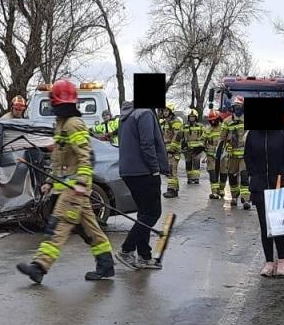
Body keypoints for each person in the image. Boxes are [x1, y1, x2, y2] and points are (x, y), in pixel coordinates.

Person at [17, 80, 115, 284]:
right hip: (69, 188)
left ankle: (39, 266)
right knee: (90, 228)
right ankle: (106, 265)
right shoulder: (61, 124)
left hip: (75, 189)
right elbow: (58, 158)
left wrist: (81, 182)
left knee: (58, 224)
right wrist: (50, 183)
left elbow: (86, 156)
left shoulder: (73, 124)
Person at [115, 99, 167, 270]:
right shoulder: (144, 113)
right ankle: (126, 249)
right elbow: (147, 143)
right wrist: (155, 169)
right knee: (153, 213)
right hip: (143, 171)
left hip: (129, 170)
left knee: (144, 213)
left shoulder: (126, 115)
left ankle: (144, 255)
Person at [245, 114, 284, 277]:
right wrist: (254, 173)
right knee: (265, 225)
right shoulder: (253, 133)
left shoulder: (283, 131)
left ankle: (283, 260)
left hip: (278, 184)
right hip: (260, 185)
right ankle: (269, 261)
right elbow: (248, 156)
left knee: (278, 224)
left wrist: (283, 172)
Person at [162, 103, 183, 198]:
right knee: (171, 170)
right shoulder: (166, 122)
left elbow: (177, 136)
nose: (164, 112)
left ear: (171, 112)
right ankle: (175, 189)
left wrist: (172, 149)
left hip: (173, 151)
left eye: (167, 111)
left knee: (171, 170)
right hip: (168, 149)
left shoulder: (176, 121)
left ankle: (171, 190)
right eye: (164, 111)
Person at [182, 108, 207, 185]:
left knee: (196, 163)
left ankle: (196, 178)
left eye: (193, 116)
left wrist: (202, 145)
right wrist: (183, 146)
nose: (191, 118)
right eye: (190, 116)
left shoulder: (200, 126)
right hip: (188, 148)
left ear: (196, 117)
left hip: (198, 149)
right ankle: (189, 178)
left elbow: (205, 135)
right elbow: (181, 136)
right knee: (188, 163)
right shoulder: (185, 126)